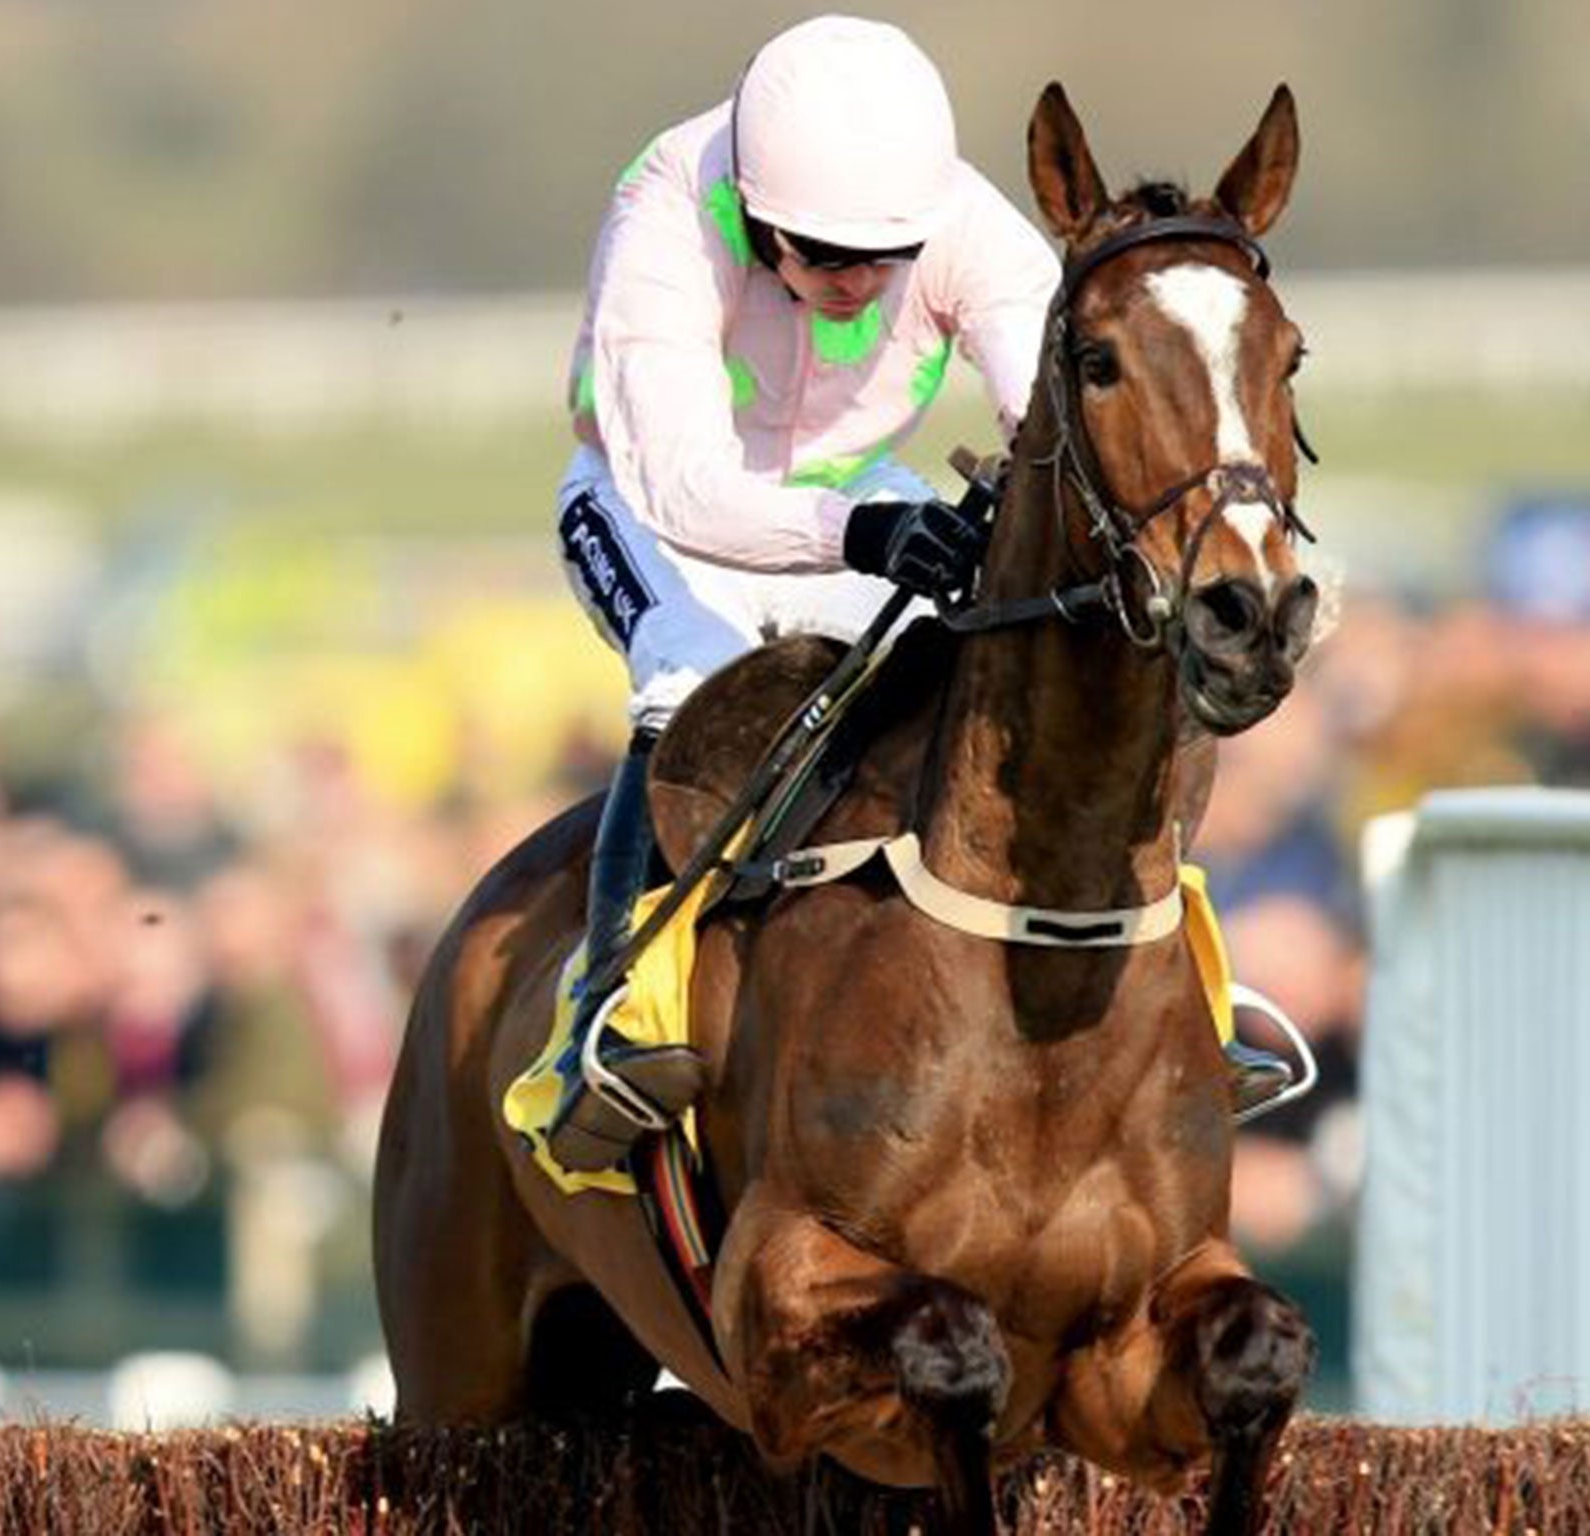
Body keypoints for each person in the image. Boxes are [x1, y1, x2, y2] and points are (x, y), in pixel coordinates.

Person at [546, 15, 1291, 1172]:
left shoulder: (964, 226)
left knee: (1027, 663)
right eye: (819, 257)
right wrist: (870, 530)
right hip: (646, 508)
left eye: (880, 263)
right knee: (689, 667)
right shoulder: (663, 214)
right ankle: (607, 1008)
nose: (854, 284)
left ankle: (1184, 986)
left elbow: (1048, 414)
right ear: (753, 215)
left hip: (858, 498)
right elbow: (685, 486)